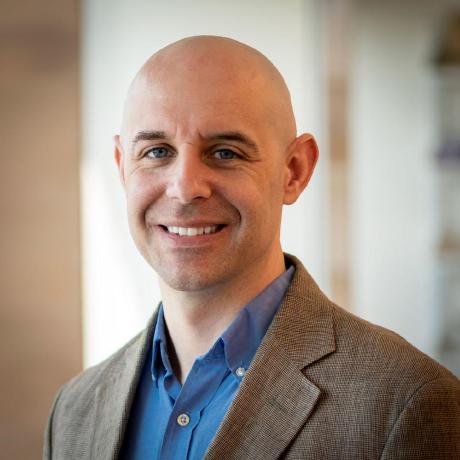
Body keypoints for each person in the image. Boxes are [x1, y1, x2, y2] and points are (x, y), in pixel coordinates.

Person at [44, 36, 460, 460]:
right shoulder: (73, 412)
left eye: (225, 152)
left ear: (294, 170)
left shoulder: (406, 403)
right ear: (122, 167)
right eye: (157, 151)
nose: (185, 188)